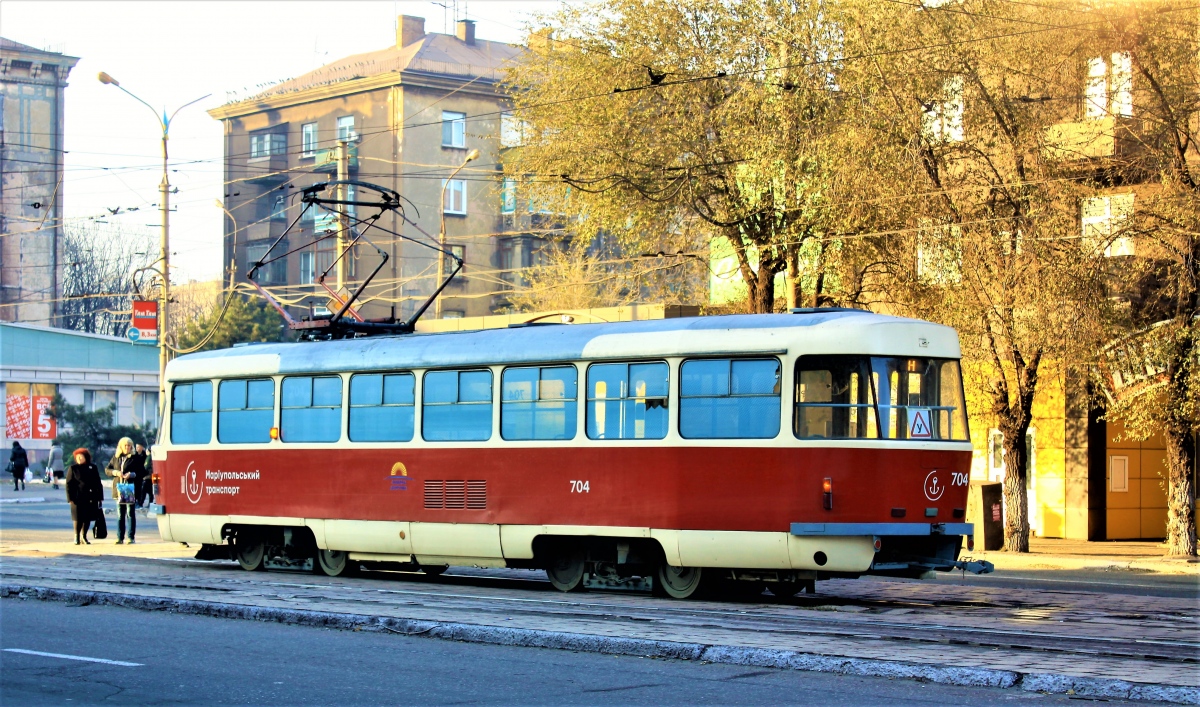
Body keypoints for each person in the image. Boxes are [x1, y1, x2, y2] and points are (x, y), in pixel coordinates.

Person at [105, 437, 143, 544]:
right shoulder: (116, 457)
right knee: (120, 514)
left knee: (130, 513)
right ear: (121, 446)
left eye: (129, 445)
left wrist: (132, 474)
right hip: (119, 488)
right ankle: (119, 537)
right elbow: (107, 470)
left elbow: (141, 472)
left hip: (129, 488)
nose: (127, 447)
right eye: (125, 445)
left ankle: (131, 537)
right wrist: (116, 473)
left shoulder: (135, 458)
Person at [65, 448, 103, 545]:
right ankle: (76, 536)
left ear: (86, 457)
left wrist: (100, 497)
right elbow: (69, 484)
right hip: (77, 497)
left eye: (81, 457)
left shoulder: (92, 467)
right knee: (78, 518)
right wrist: (70, 498)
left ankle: (84, 536)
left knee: (87, 518)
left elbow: (98, 483)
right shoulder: (73, 468)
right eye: (77, 457)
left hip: (90, 496)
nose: (79, 459)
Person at [133, 443, 150, 508]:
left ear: (142, 447)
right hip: (135, 474)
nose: (137, 448)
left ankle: (140, 502)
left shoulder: (145, 455)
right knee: (135, 488)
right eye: (136, 447)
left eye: (138, 447)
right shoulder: (134, 455)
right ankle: (135, 501)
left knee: (142, 489)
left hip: (143, 474)